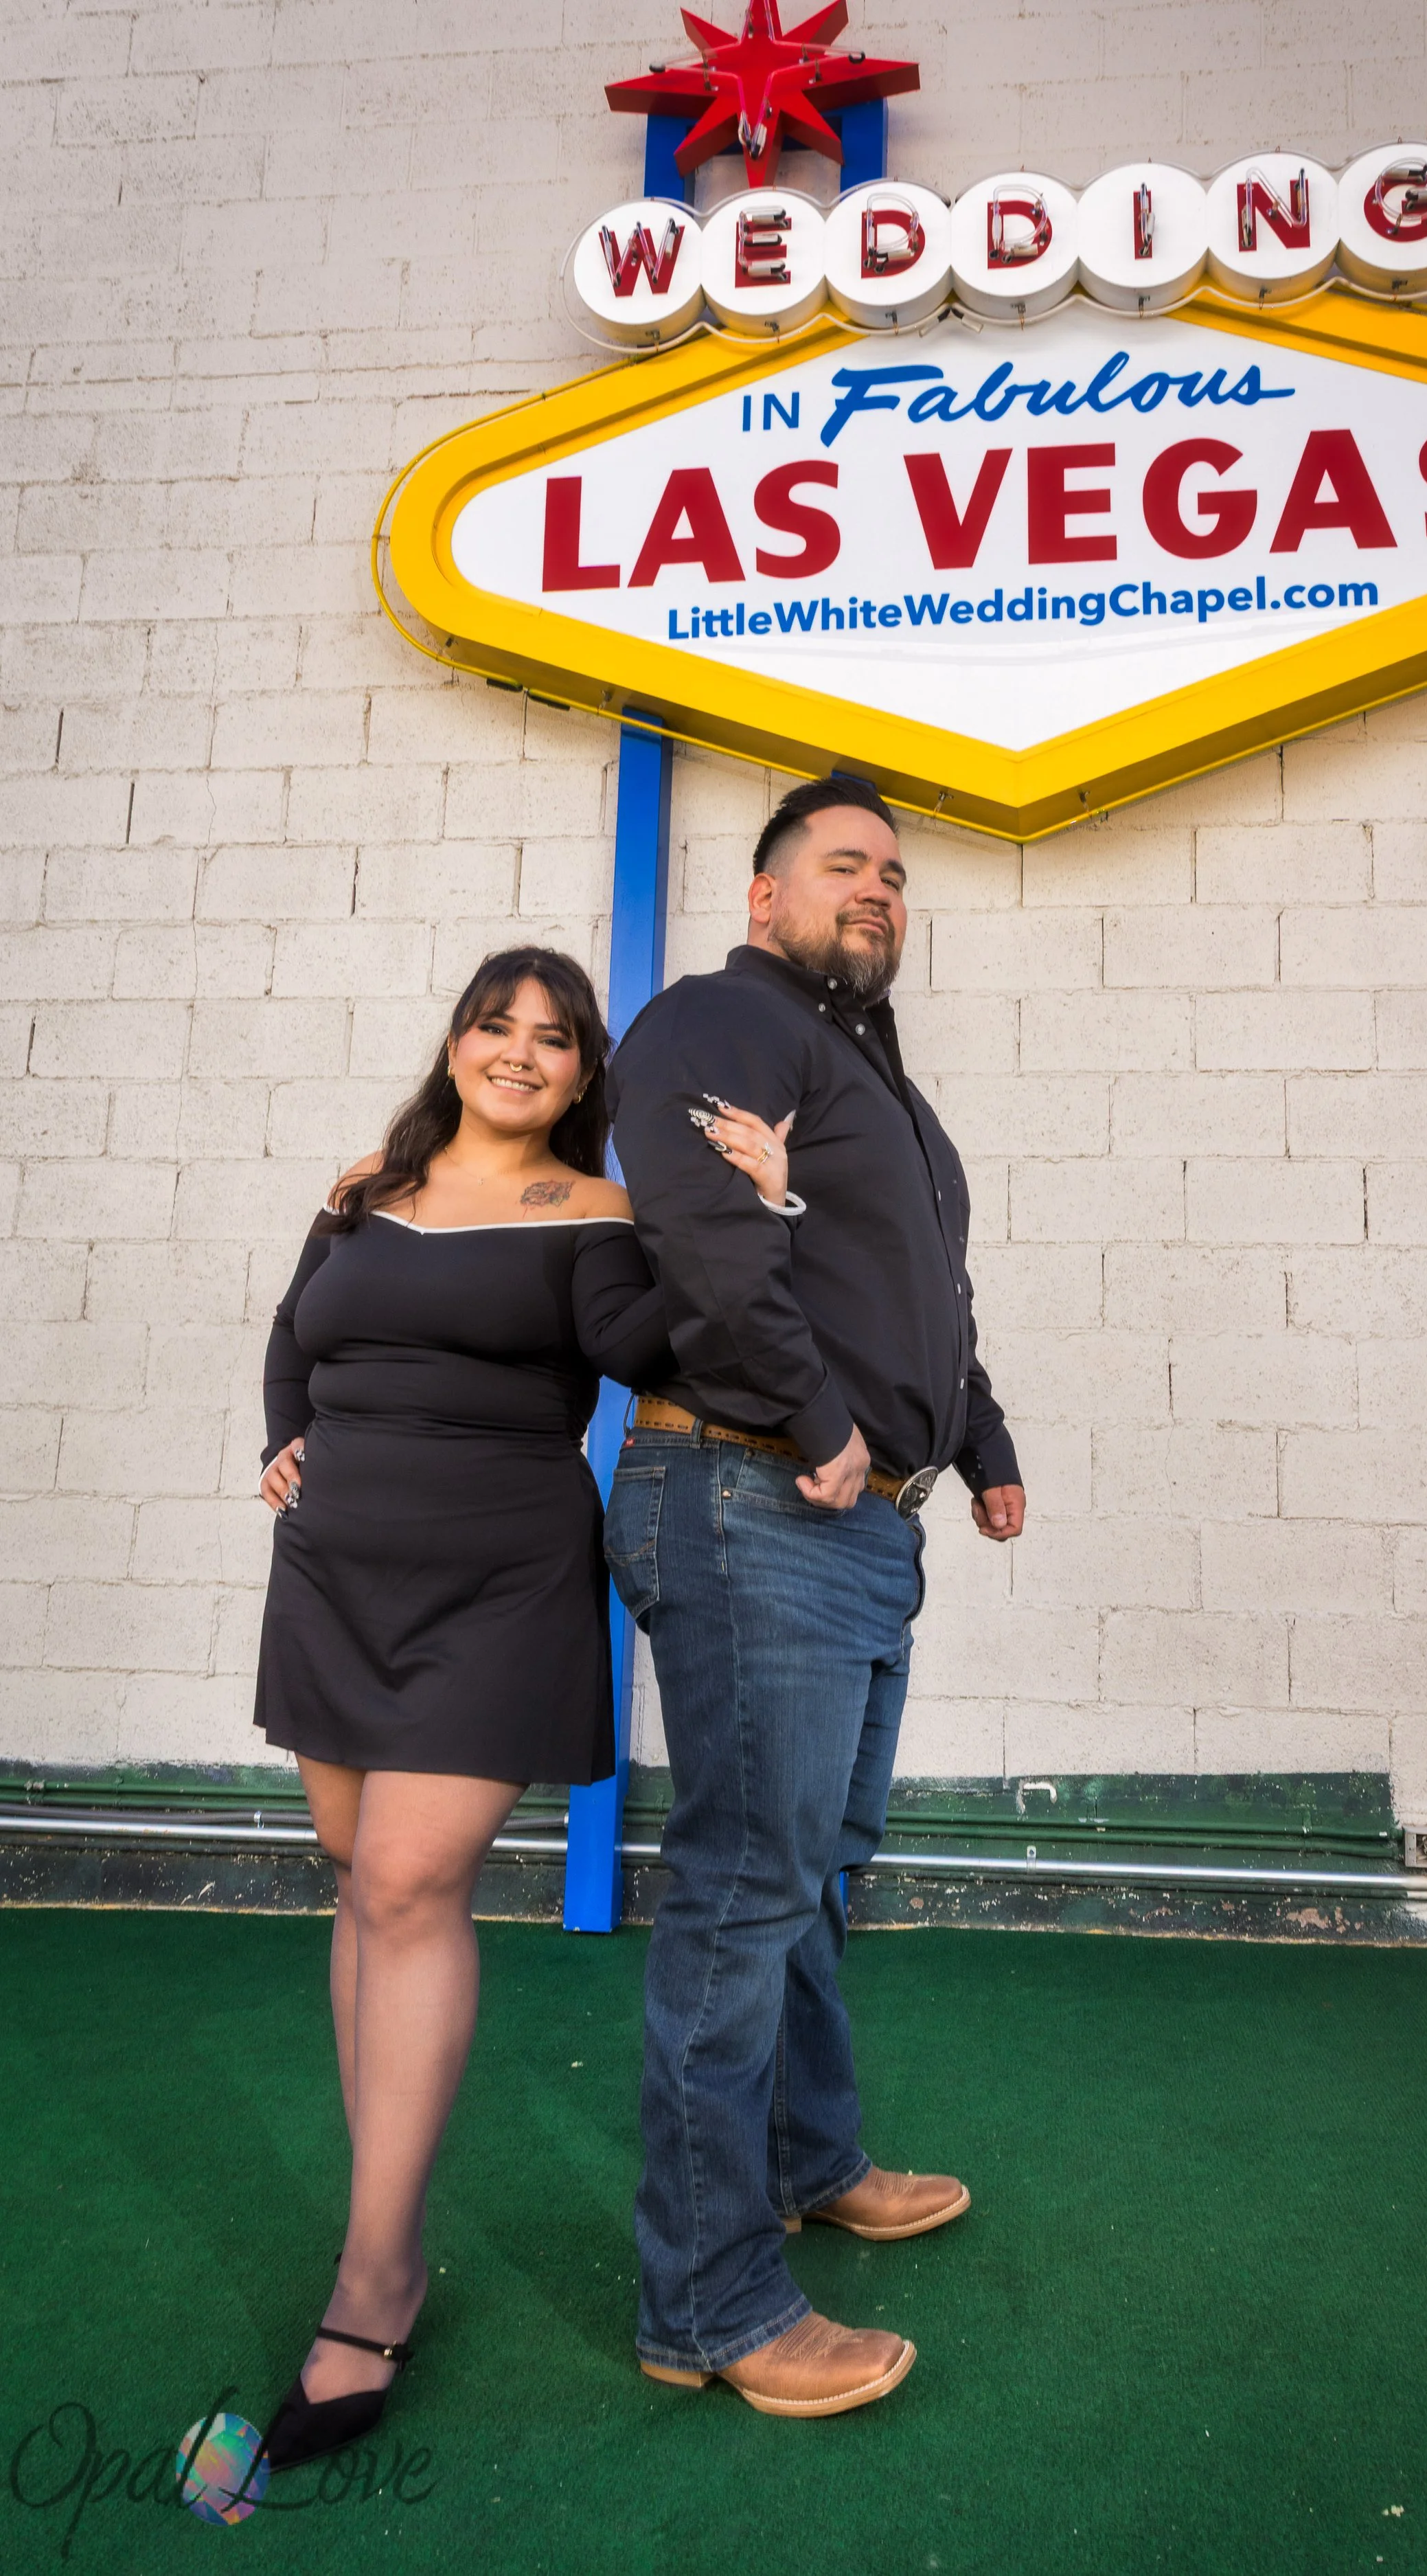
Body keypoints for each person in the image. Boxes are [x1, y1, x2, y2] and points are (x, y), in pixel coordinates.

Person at [249, 945, 789, 2470]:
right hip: (337, 1577)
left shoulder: (594, 1214)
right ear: (457, 1041)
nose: (519, 1052)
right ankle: (391, 2229)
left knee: (414, 1886)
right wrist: (284, 1441)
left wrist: (746, 1215)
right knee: (359, 1886)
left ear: (581, 1077)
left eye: (553, 1041)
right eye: (497, 1024)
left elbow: (644, 1347)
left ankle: (369, 2284)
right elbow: (298, 1333)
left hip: (497, 1583)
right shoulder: (367, 1183)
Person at [606, 774, 1027, 2419]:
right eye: (844, 865)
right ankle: (706, 2308)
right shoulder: (717, 1018)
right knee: (742, 1890)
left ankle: (807, 2157)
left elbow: (932, 1288)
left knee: (817, 1873)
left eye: (897, 876)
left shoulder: (870, 1083)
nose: (878, 889)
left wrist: (973, 1435)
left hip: (858, 1523)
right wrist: (828, 1416)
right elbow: (712, 1243)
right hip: (750, 1496)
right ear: (765, 892)